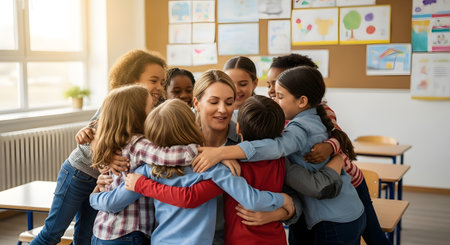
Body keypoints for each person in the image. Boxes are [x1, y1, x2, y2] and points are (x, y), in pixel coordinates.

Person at [193, 66, 366, 245]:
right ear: (196, 103)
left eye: (229, 102)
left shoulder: (259, 143)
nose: (222, 110)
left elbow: (295, 199)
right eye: (214, 102)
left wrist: (279, 212)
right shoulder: (181, 144)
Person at [90, 98, 294, 245]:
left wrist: (93, 197)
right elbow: (190, 198)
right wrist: (283, 201)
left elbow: (112, 202)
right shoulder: (214, 168)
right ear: (193, 126)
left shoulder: (147, 170)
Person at [30, 49, 167, 245]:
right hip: (79, 173)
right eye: (153, 81)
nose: (159, 87)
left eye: (162, 82)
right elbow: (92, 135)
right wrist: (106, 156)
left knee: (85, 238)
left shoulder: (152, 110)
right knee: (52, 233)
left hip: (103, 183)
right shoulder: (117, 102)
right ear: (132, 80)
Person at [266, 53, 391, 245]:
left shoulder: (319, 112)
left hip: (348, 184)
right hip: (309, 192)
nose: (272, 89)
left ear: (302, 93)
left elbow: (337, 136)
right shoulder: (279, 110)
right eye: (269, 84)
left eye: (278, 84)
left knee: (373, 236)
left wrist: (330, 147)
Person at [88, 85, 197, 244]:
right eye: (152, 107)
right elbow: (168, 157)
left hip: (102, 230)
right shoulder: (137, 144)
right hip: (128, 232)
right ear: (136, 115)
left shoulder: (111, 143)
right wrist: (201, 151)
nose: (155, 111)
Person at [223, 56, 258, 122]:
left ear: (255, 83)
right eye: (230, 84)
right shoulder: (218, 113)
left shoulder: (263, 113)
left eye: (243, 84)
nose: (236, 90)